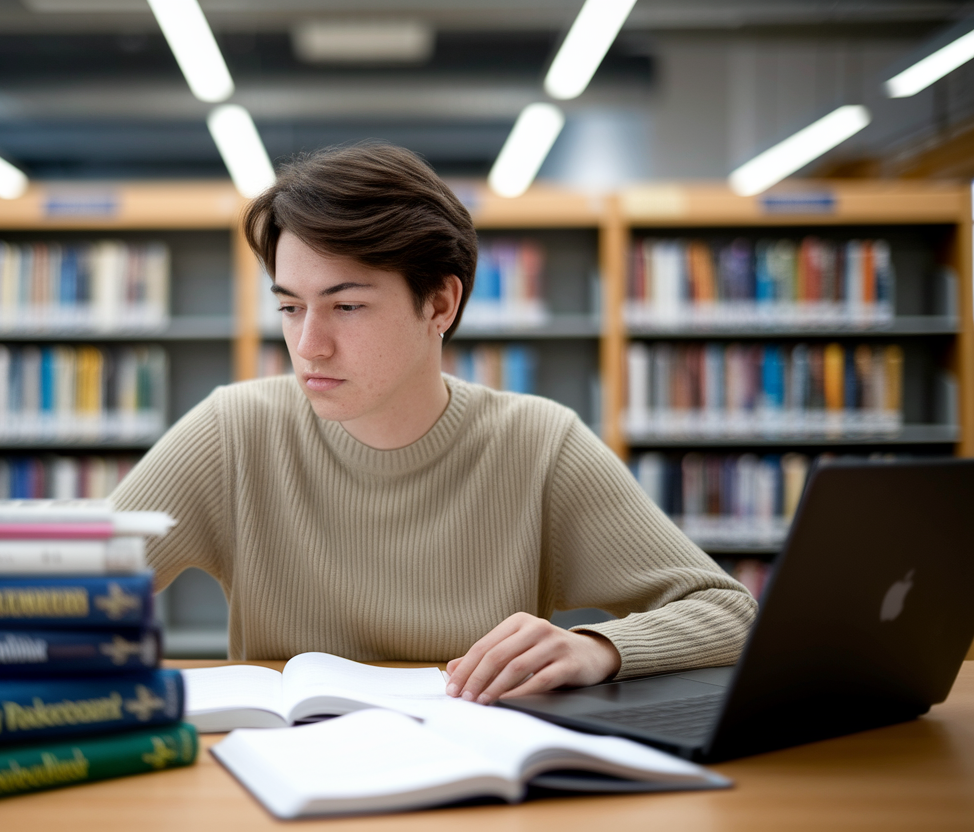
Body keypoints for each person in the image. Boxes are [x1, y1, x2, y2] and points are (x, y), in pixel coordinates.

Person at [110, 143, 756, 704]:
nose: (308, 344)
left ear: (440, 303)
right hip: (278, 779)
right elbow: (69, 595)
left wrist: (596, 647)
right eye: (290, 306)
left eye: (347, 305)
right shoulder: (235, 431)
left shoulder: (537, 443)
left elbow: (729, 613)